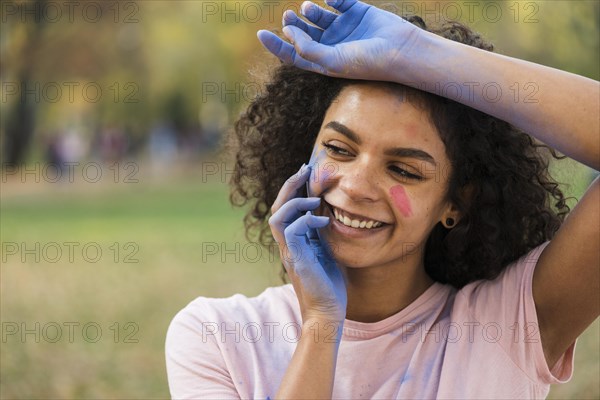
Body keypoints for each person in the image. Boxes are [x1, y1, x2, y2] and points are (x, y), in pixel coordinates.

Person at [166, 0, 599, 398]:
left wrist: (422, 54)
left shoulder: (509, 326)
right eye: (338, 149)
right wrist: (320, 325)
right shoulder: (216, 336)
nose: (355, 186)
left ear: (456, 204)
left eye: (404, 170)